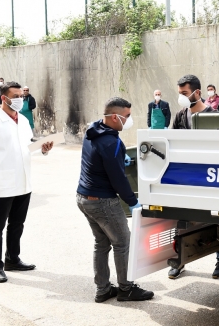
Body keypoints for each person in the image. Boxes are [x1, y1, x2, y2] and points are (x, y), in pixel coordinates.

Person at [76, 97, 154, 303]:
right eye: (126, 116)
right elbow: (118, 179)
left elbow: (101, 159)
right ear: (113, 117)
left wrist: (120, 158)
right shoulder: (112, 142)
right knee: (123, 243)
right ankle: (126, 289)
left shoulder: (93, 129)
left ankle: (102, 289)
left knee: (101, 244)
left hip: (84, 198)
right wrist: (132, 201)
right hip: (102, 201)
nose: (129, 120)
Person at [0, 81, 54, 283]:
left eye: (22, 96)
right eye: (16, 96)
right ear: (4, 98)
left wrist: (43, 149)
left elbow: (27, 147)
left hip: (23, 180)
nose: (21, 99)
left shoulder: (23, 121)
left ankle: (12, 259)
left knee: (17, 223)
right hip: (1, 182)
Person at [167, 75, 218, 279]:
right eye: (179, 94)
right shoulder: (180, 116)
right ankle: (179, 261)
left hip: (209, 177)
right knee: (181, 222)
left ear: (197, 93)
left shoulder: (213, 115)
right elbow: (172, 141)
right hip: (186, 178)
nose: (181, 97)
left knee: (218, 221)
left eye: (185, 93)